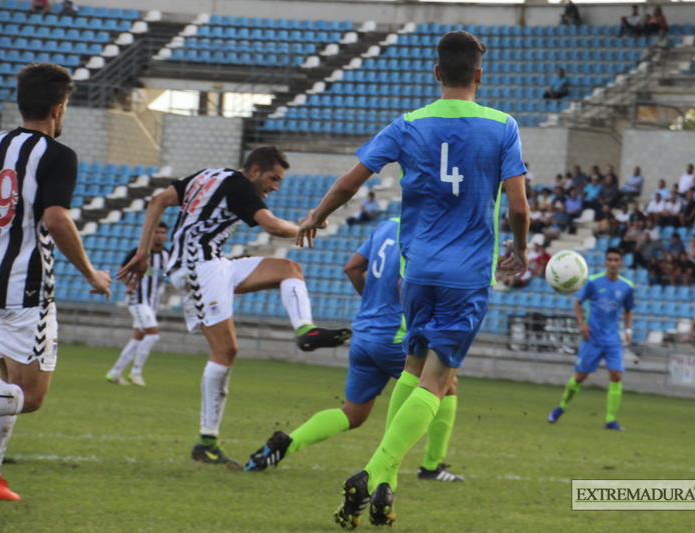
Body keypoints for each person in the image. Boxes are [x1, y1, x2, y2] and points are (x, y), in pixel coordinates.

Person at [295, 31, 530, 528]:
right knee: (438, 383)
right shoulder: (503, 127)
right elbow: (518, 207)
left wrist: (316, 217)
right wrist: (522, 250)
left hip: (417, 270)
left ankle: (387, 488)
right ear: (479, 76)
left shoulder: (408, 125)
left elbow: (348, 183)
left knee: (412, 368)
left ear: (436, 73)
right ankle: (375, 470)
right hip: (467, 275)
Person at [118, 146, 352, 470]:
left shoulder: (207, 176)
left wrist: (145, 253)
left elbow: (158, 200)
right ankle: (206, 443)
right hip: (198, 267)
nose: (275, 187)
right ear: (254, 170)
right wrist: (310, 224)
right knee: (225, 351)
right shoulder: (240, 186)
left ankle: (305, 329)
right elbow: (271, 226)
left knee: (290, 270)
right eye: (273, 178)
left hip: (214, 263)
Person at [0, 63, 111, 501]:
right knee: (28, 396)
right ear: (57, 107)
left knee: (8, 387)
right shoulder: (57, 154)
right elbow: (55, 217)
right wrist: (90, 272)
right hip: (25, 289)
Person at [244, 218, 463, 482]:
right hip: (394, 336)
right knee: (446, 385)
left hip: (363, 334)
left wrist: (372, 302)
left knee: (354, 413)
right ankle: (431, 467)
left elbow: (352, 268)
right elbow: (408, 285)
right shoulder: (425, 231)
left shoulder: (386, 225)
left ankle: (288, 443)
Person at [548, 248, 634, 431]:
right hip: (592, 337)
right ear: (605, 262)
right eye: (609, 259)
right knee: (579, 377)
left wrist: (628, 330)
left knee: (616, 375)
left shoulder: (627, 286)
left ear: (621, 263)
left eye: (616, 259)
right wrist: (581, 324)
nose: (612, 263)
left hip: (612, 339)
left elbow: (628, 310)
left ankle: (610, 419)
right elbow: (577, 302)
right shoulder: (593, 282)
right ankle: (561, 407)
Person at [106, 221, 170, 386]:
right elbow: (121, 271)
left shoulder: (167, 255)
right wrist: (128, 285)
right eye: (157, 232)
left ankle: (115, 372)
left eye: (163, 233)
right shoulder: (138, 253)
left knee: (138, 339)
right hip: (138, 300)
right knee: (153, 335)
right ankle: (136, 373)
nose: (160, 236)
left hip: (152, 302)